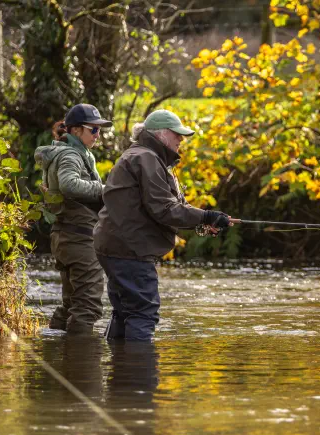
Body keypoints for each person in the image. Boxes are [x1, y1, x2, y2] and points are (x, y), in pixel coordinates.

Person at [94, 109, 232, 342]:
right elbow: (164, 209)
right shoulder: (145, 158)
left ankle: (121, 371)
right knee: (143, 313)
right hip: (131, 250)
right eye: (177, 134)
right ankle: (139, 374)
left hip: (117, 246)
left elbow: (162, 210)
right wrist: (207, 216)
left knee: (124, 312)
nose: (181, 140)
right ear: (161, 134)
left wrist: (202, 224)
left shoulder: (143, 156)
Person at [35, 104, 112, 334]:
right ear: (76, 131)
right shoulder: (71, 154)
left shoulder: (66, 152)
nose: (98, 135)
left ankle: (57, 356)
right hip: (79, 239)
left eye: (100, 130)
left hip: (65, 236)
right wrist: (104, 189)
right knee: (87, 306)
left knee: (70, 305)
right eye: (94, 130)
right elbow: (69, 184)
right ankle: (80, 367)